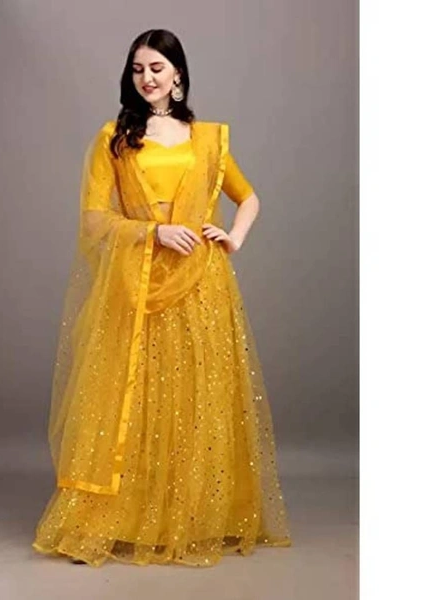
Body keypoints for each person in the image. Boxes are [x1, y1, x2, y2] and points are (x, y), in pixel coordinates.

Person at [31, 28, 291, 567]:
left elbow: (248, 198)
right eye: (137, 69)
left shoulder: (207, 139)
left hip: (201, 285)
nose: (146, 78)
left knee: (196, 401)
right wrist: (152, 233)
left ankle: (192, 518)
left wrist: (233, 237)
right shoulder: (115, 138)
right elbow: (93, 219)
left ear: (178, 74)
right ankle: (121, 518)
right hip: (138, 283)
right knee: (133, 401)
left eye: (156, 68)